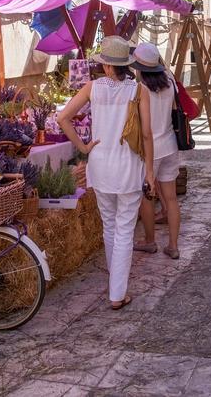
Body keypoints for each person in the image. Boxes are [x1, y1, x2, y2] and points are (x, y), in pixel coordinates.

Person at [57, 35, 154, 310]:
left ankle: (116, 284)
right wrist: (149, 171)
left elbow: (62, 118)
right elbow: (146, 135)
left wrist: (83, 147)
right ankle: (117, 294)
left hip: (100, 164)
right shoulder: (138, 90)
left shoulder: (92, 88)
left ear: (108, 66)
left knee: (109, 227)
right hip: (129, 165)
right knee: (124, 230)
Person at [130, 43, 181, 259]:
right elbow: (173, 110)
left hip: (150, 149)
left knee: (148, 197)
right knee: (170, 198)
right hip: (170, 144)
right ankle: (173, 245)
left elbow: (143, 127)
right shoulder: (170, 82)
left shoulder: (139, 89)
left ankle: (150, 241)